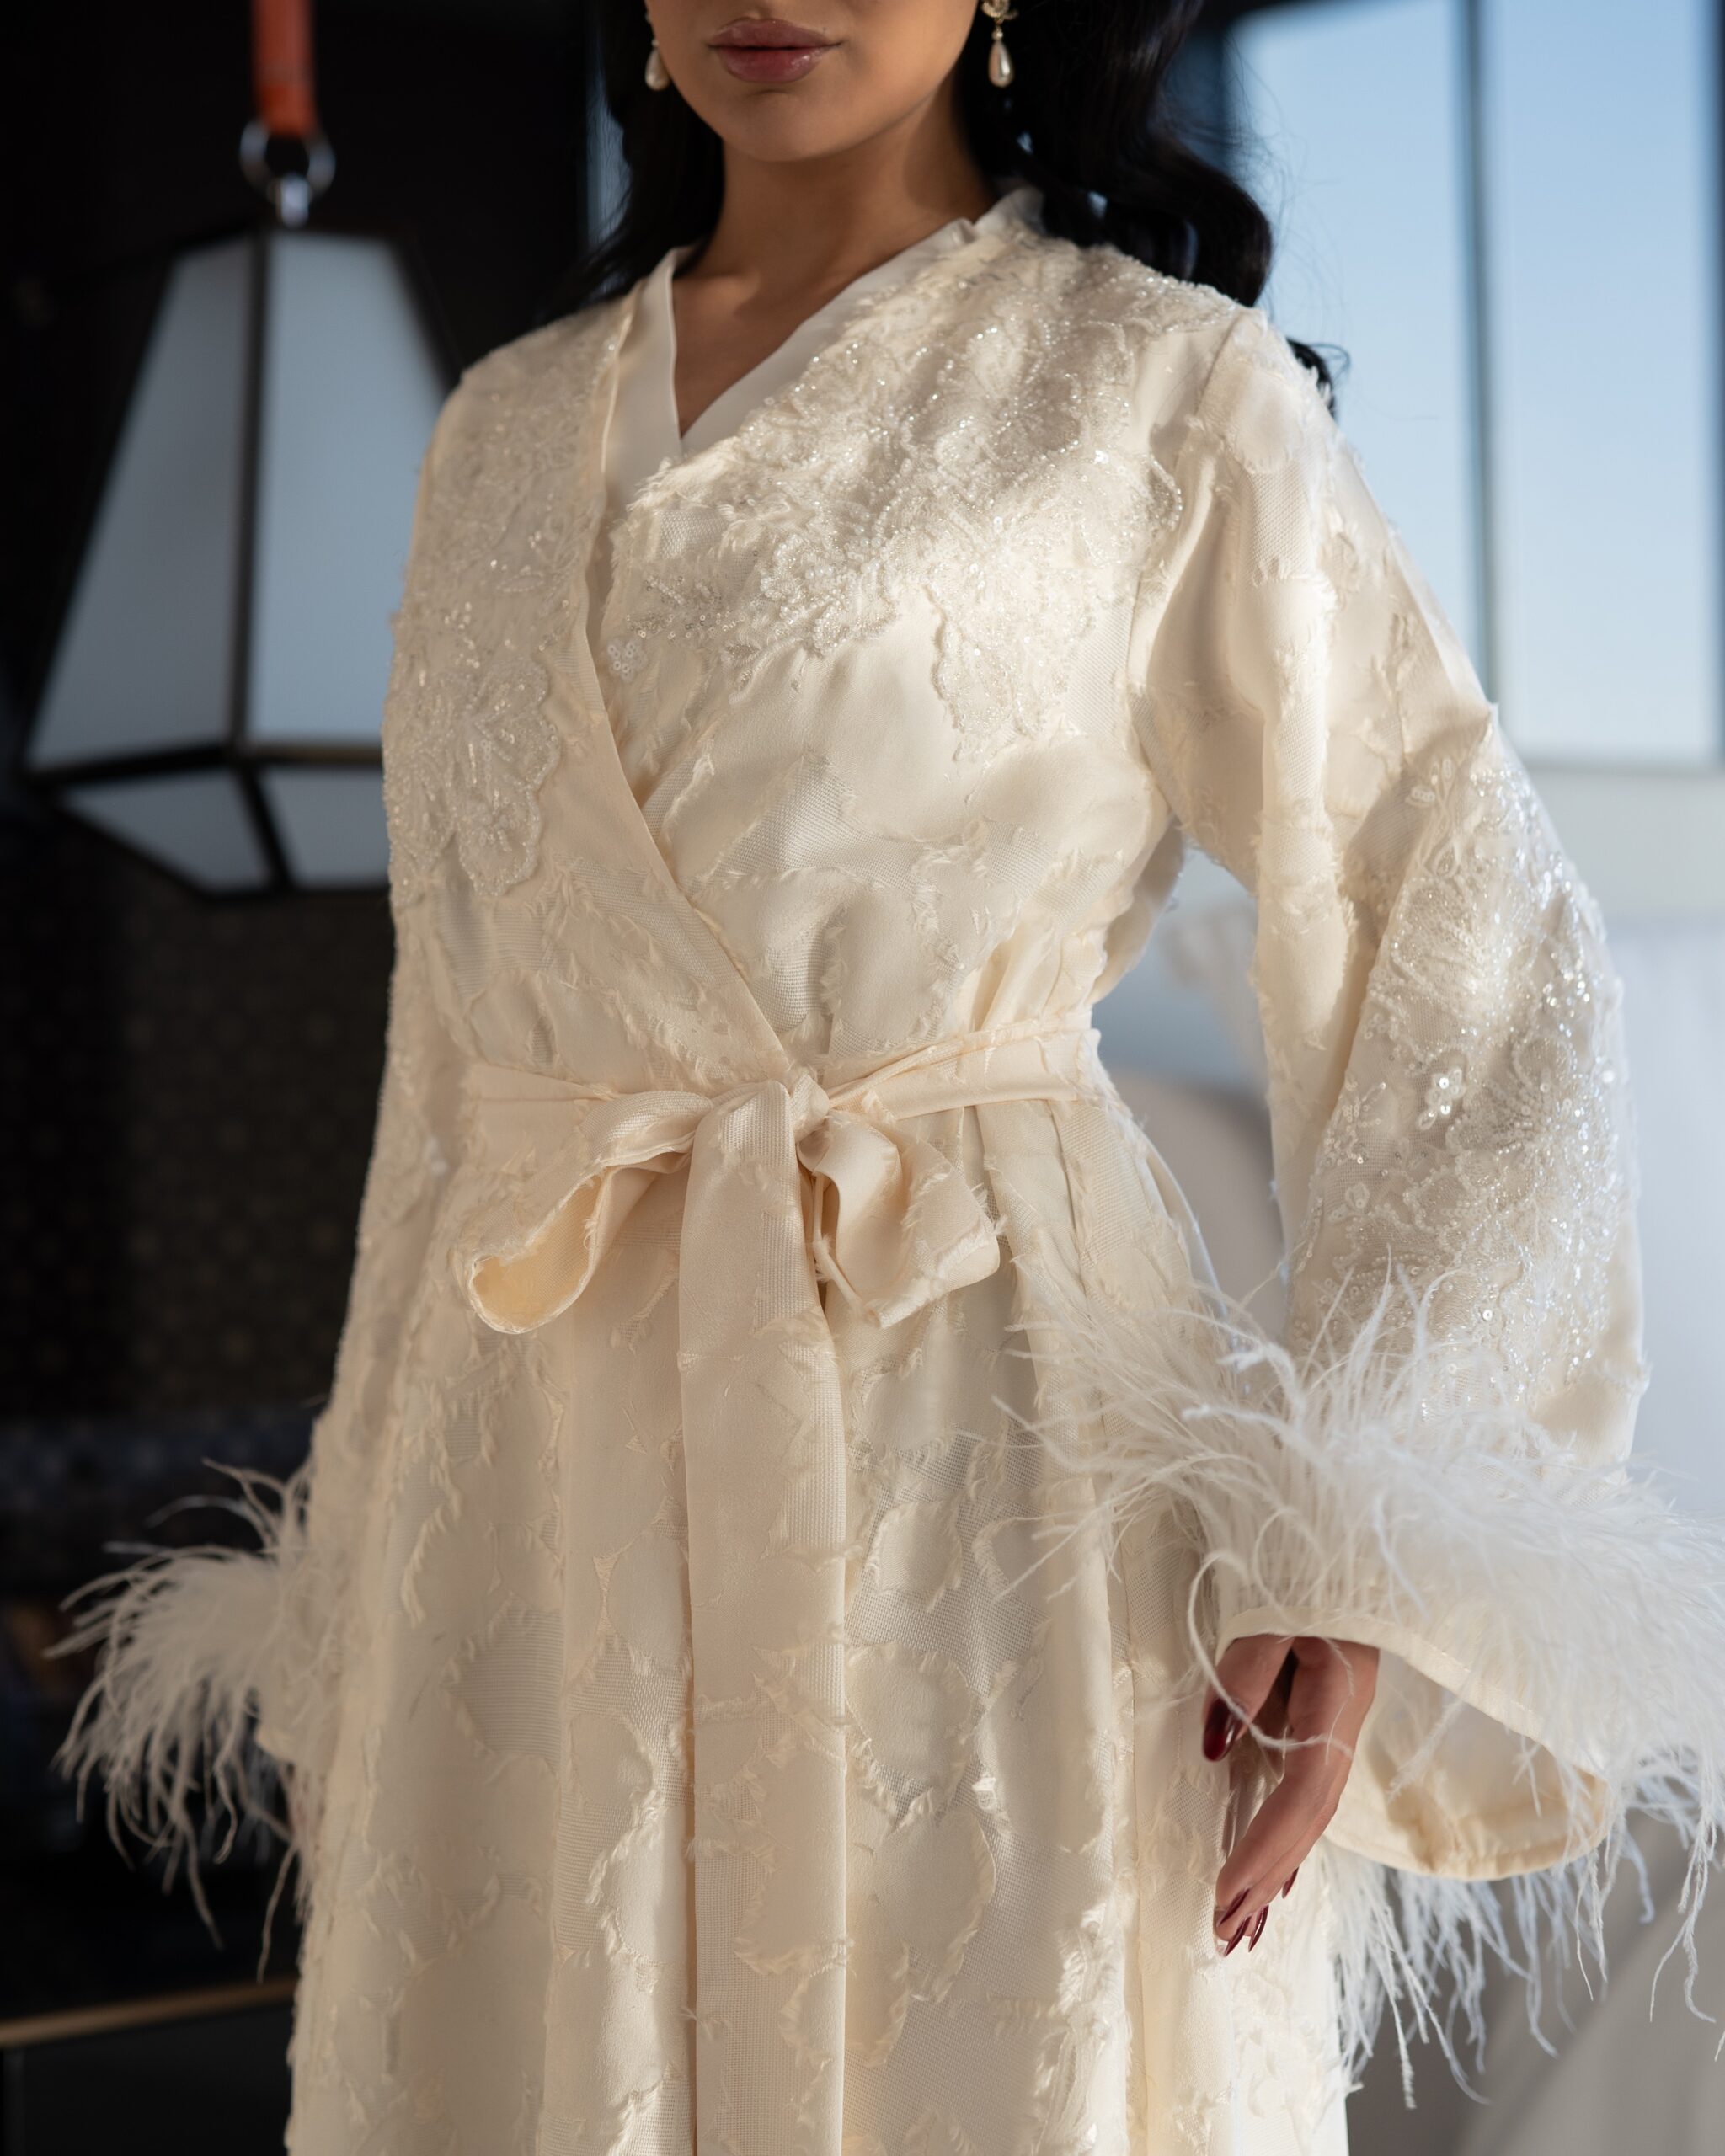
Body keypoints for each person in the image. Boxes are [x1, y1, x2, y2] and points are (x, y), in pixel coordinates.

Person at [56, 4, 1725, 2151]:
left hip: (983, 1445)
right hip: (532, 1471)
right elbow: (454, 1061)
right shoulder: (498, 434)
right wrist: (364, 1571)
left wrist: (1364, 1549)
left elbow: (1464, 937)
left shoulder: (1153, 388)